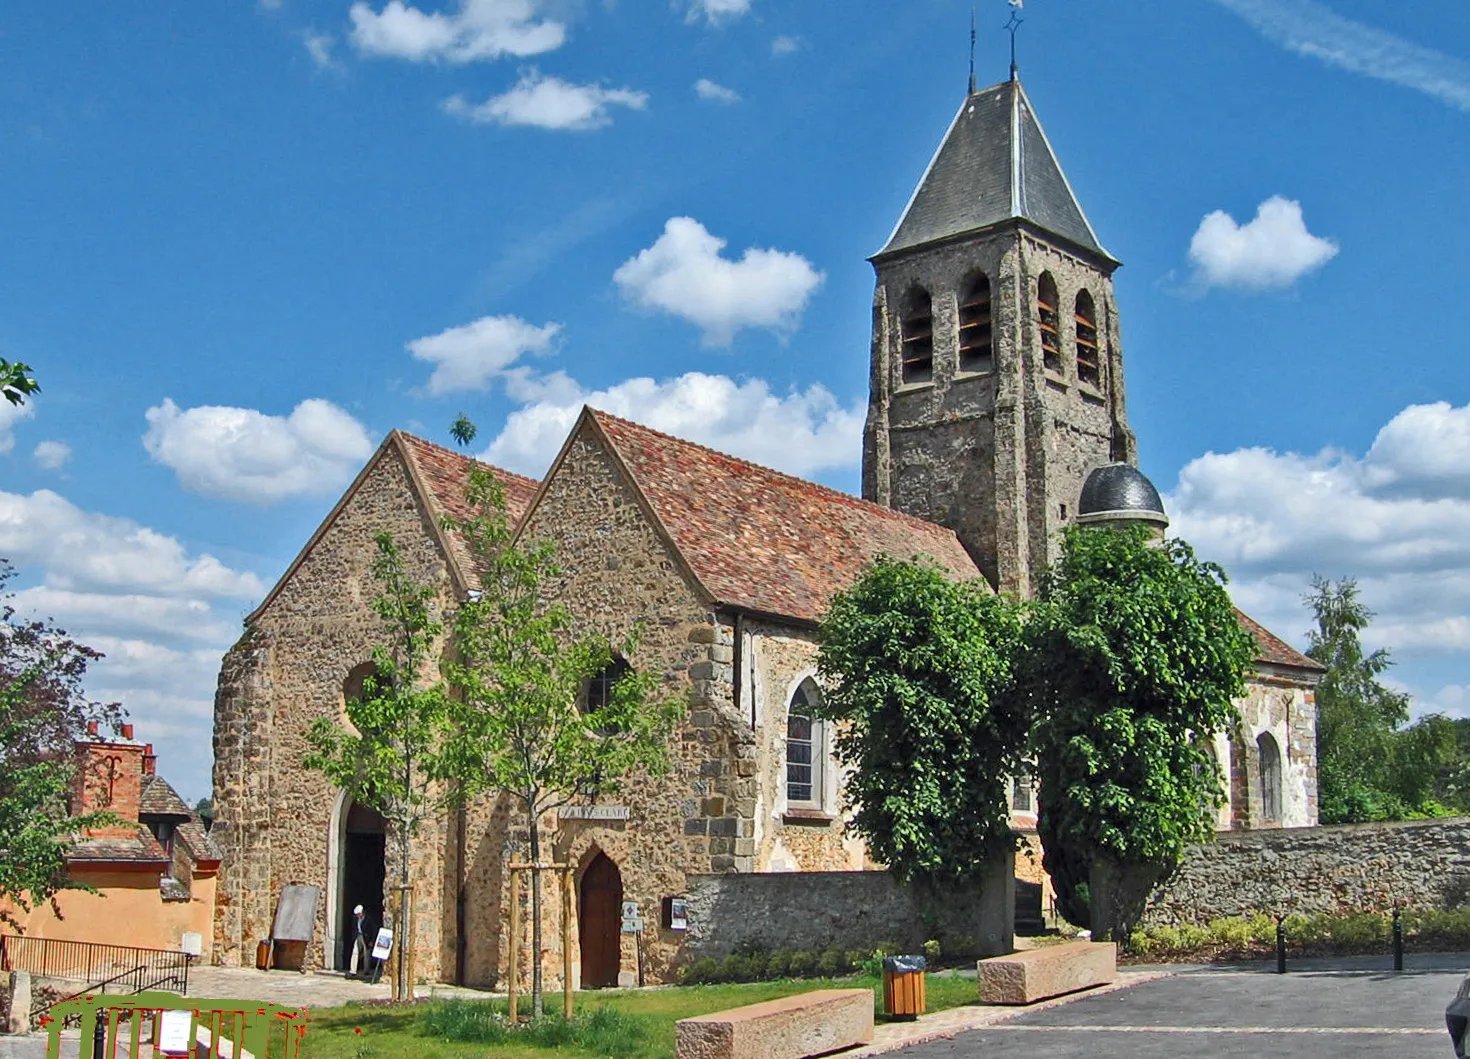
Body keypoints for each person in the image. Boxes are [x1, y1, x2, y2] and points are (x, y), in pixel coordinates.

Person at [350, 904, 377, 978]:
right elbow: (354, 928)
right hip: (358, 936)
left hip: (366, 937)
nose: (358, 916)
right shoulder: (355, 919)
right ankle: (353, 970)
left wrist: (372, 940)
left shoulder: (368, 919)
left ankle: (366, 970)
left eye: (359, 914)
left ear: (362, 913)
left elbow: (373, 930)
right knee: (355, 952)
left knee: (366, 954)